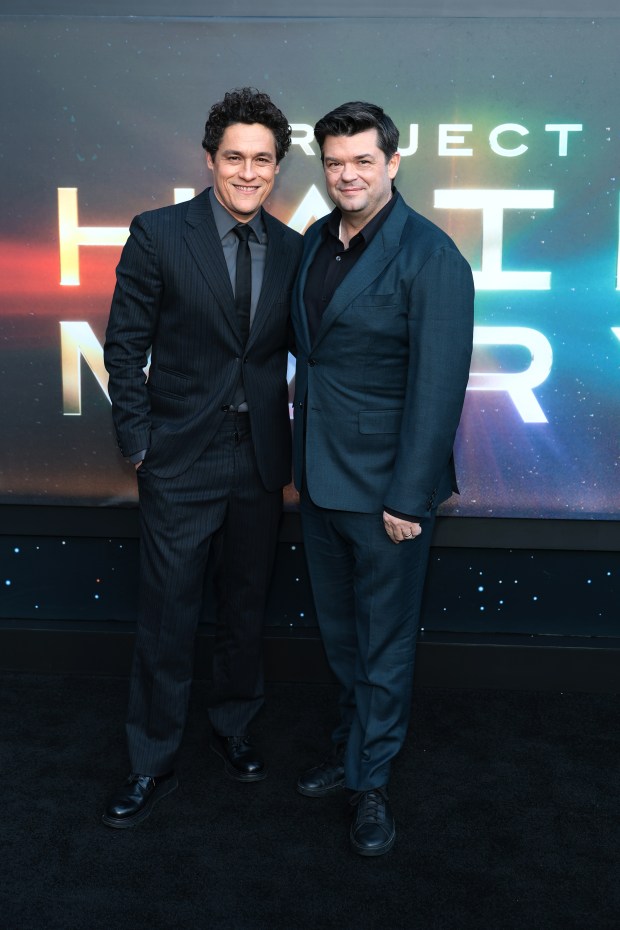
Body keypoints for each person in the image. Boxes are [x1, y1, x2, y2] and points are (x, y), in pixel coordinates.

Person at [102, 88, 302, 829]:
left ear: (277, 166)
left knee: (245, 609)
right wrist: (140, 443)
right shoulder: (158, 233)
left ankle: (234, 726)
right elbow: (124, 347)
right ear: (210, 159)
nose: (248, 172)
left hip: (260, 459)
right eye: (235, 157)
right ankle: (150, 760)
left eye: (262, 160)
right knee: (168, 615)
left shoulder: (295, 248)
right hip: (180, 457)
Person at [291, 101, 474, 856]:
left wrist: (409, 497)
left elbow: (439, 388)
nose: (348, 175)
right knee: (341, 639)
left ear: (393, 163)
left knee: (384, 648)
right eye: (335, 162)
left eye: (363, 160)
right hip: (318, 482)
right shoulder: (313, 240)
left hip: (386, 496)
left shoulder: (432, 255)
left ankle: (371, 782)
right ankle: (349, 750)